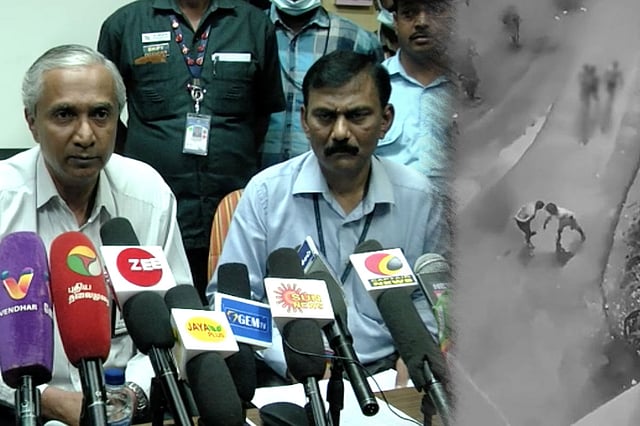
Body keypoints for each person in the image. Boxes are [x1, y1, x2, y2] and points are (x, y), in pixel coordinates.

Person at [206, 51, 449, 387]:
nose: (340, 133)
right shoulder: (266, 194)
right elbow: (233, 303)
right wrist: (293, 360)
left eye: (357, 115)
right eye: (325, 116)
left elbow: (432, 299)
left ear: (385, 120)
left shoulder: (419, 198)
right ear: (304, 121)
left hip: (390, 372)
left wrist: (416, 351)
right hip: (288, 373)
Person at [0, 44, 193, 425]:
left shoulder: (148, 194)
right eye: (65, 115)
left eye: (101, 114)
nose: (86, 135)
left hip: (128, 409)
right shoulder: (4, 199)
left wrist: (133, 394)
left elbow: (176, 320)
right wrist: (44, 399)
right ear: (32, 122)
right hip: (15, 408)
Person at [98, 0, 286, 303]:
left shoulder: (253, 24)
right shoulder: (124, 25)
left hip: (230, 211)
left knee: (233, 306)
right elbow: (102, 111)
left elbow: (264, 112)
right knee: (156, 307)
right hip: (153, 208)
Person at [259, 0, 384, 169]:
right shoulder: (248, 30)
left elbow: (375, 107)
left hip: (332, 172)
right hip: (253, 169)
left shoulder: (356, 39)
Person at [375, 0, 457, 193]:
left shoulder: (476, 86)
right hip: (389, 207)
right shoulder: (371, 87)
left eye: (434, 11)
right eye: (409, 13)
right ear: (395, 22)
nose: (421, 22)